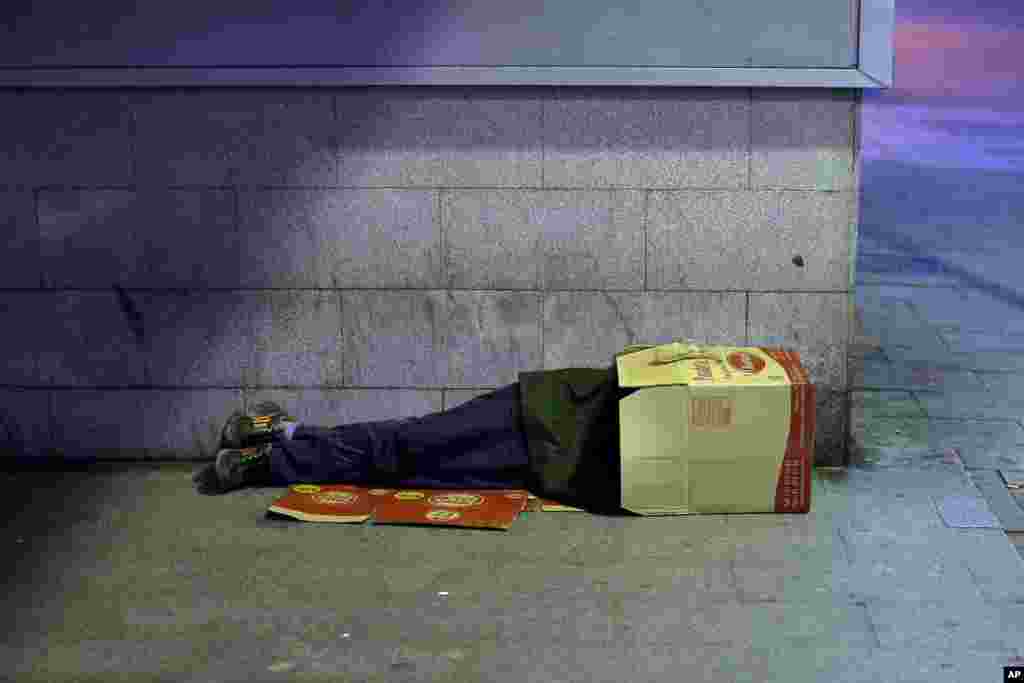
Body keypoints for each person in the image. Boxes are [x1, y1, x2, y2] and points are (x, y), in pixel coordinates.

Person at [193, 344, 664, 513]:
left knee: (402, 465)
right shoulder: (704, 388)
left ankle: (284, 435)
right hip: (539, 414)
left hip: (547, 465)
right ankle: (273, 453)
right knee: (407, 442)